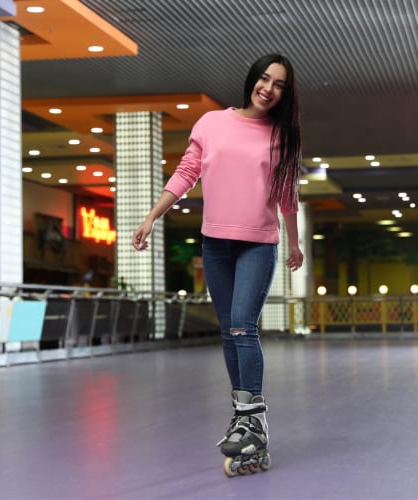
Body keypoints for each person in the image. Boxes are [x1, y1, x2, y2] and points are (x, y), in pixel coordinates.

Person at [132, 53, 303, 474]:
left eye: (278, 84)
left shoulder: (282, 135)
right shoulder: (211, 123)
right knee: (229, 331)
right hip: (215, 244)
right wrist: (153, 215)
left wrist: (295, 244)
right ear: (251, 79)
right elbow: (187, 171)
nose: (268, 88)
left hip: (257, 245)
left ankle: (254, 421)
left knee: (244, 325)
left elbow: (287, 195)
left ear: (285, 93)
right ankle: (242, 415)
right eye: (264, 79)